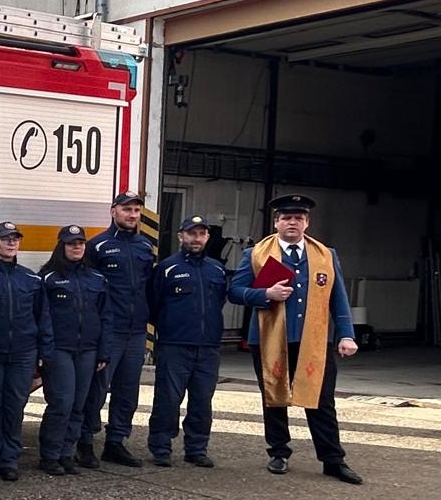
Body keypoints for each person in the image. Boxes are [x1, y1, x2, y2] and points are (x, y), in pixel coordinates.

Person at [227, 194, 362, 484]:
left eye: (298, 217)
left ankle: (332, 459)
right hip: (269, 339)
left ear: (307, 222)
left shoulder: (326, 254)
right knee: (274, 398)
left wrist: (346, 334)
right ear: (276, 222)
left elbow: (338, 299)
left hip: (312, 340)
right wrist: (264, 294)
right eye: (286, 217)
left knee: (322, 400)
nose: (292, 222)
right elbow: (235, 292)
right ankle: (279, 452)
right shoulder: (255, 254)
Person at [0, 222, 51, 481]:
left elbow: (42, 317)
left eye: (15, 239)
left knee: (15, 407)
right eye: (5, 239)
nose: (11, 243)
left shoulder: (31, 278)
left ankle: (9, 460)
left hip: (23, 353)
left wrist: (43, 352)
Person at [79, 193, 156, 468]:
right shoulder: (97, 246)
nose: (132, 214)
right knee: (96, 389)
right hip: (107, 331)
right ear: (114, 211)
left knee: (127, 390)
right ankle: (85, 441)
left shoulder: (145, 247)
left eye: (136, 210)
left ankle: (116, 442)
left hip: (135, 332)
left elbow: (149, 288)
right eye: (127, 209)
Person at [145, 215, 226, 467]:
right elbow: (153, 304)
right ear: (181, 236)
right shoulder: (167, 268)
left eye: (201, 234)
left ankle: (196, 448)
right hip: (174, 345)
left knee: (202, 400)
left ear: (207, 238)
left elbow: (219, 302)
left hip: (208, 347)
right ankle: (161, 448)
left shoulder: (217, 269)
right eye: (191, 234)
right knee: (168, 399)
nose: (196, 238)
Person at [37, 225, 111, 475]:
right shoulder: (48, 278)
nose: (77, 247)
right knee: (62, 403)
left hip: (88, 351)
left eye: (80, 243)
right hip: (60, 350)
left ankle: (67, 454)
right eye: (71, 243)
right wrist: (44, 351)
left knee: (79, 404)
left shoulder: (97, 279)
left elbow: (105, 317)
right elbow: (42, 318)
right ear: (61, 246)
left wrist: (104, 351)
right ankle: (50, 455)